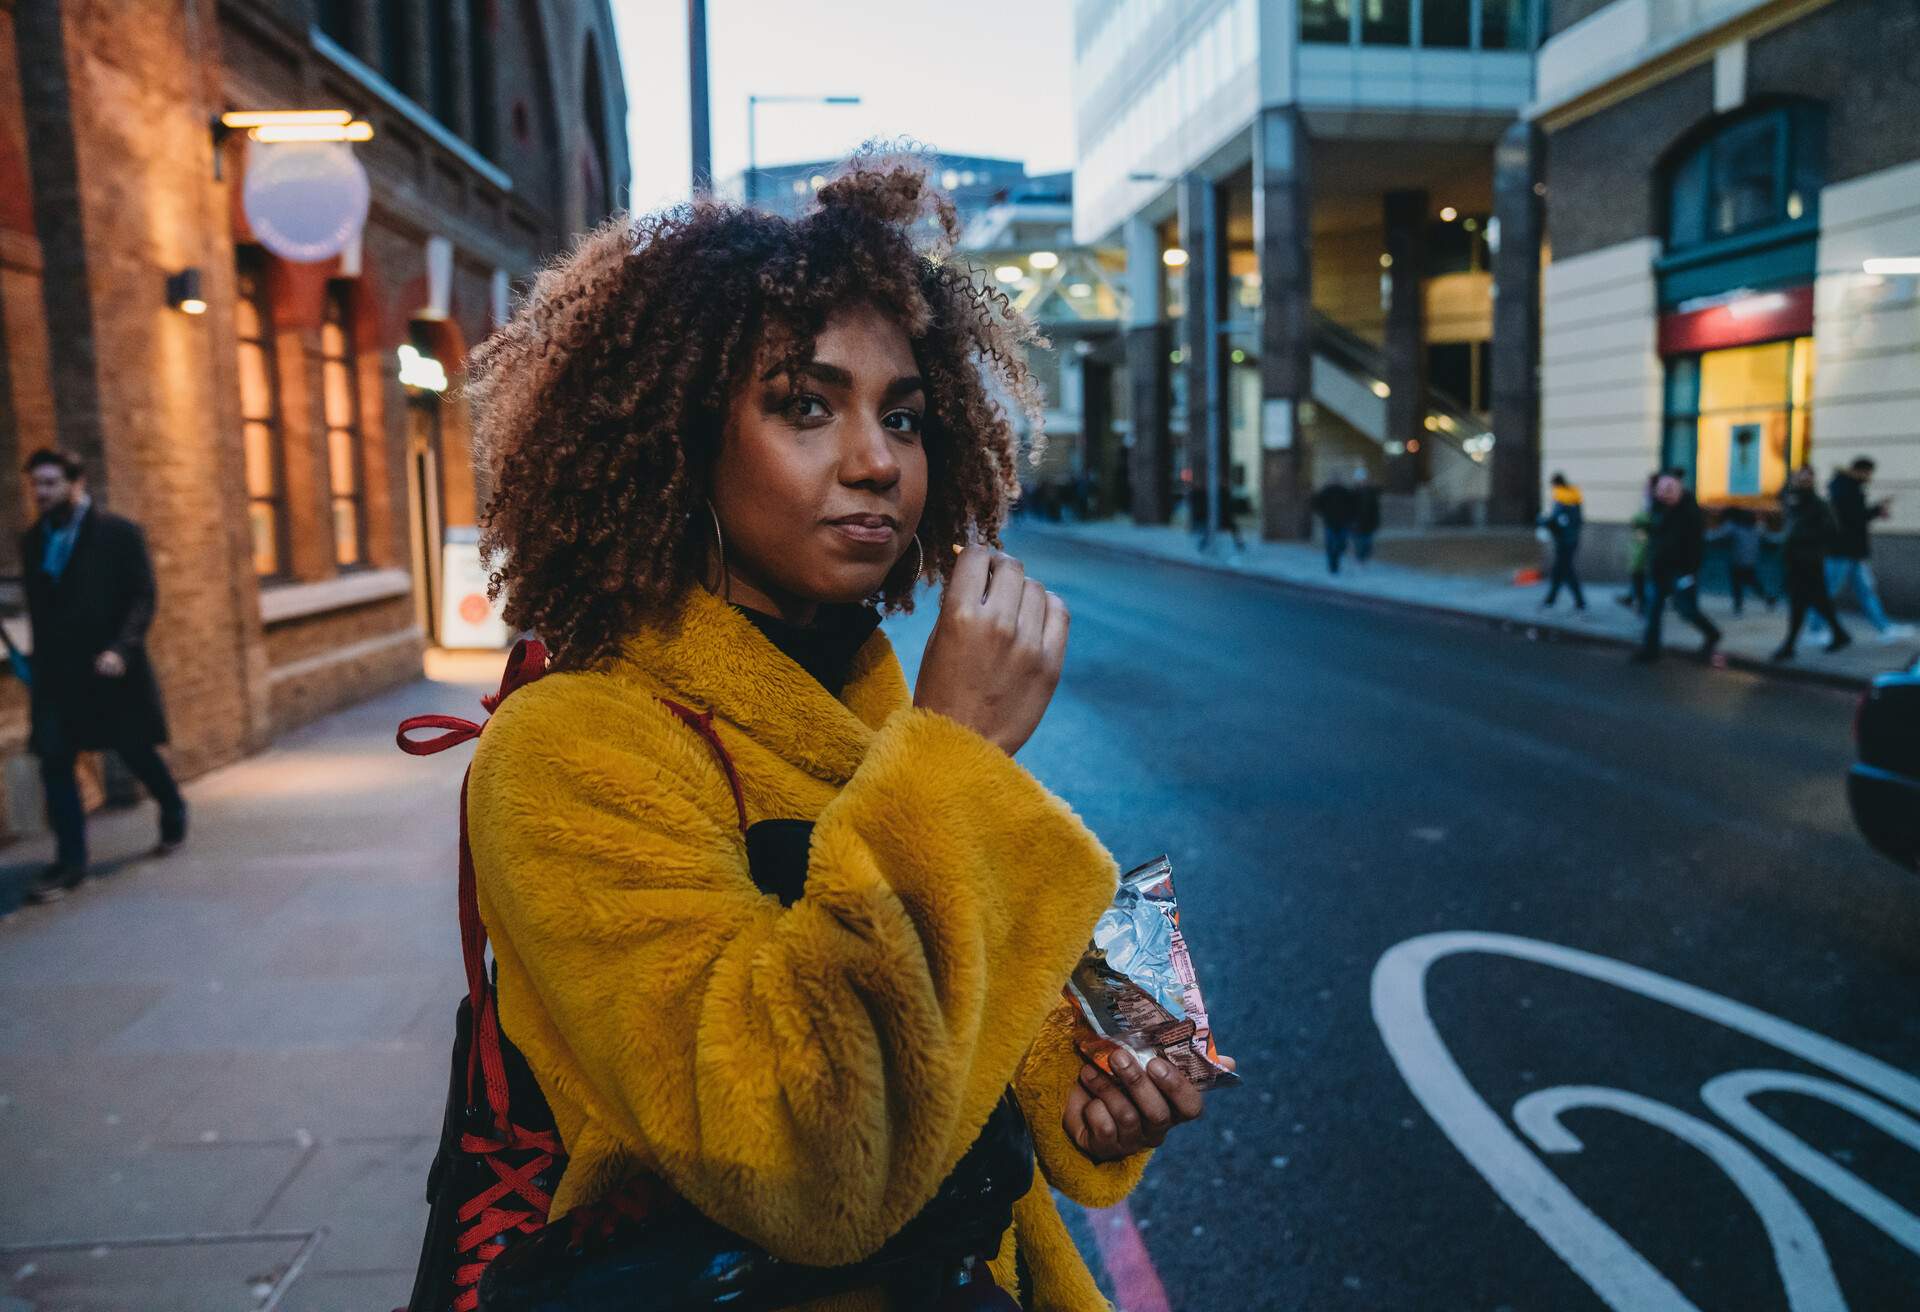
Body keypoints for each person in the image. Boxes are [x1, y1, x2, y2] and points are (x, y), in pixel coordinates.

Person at [456, 158, 1212, 1310]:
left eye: (902, 416)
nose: (876, 460)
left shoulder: (867, 713)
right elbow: (810, 1166)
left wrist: (1097, 1074)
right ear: (682, 436)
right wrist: (957, 753)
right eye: (805, 405)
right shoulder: (568, 749)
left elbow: (951, 1025)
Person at [17, 450, 185, 904]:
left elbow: (142, 597)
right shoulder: (34, 540)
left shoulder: (118, 534)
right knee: (55, 762)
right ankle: (70, 863)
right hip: (57, 675)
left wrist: (121, 649)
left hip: (109, 669)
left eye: (50, 483)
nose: (41, 493)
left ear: (77, 482)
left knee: (135, 751)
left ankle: (172, 807)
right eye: (36, 484)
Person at [1817, 456, 1913, 642]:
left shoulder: (1847, 487)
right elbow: (1852, 519)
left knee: (1865, 591)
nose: (1870, 477)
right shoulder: (1845, 488)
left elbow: (1854, 517)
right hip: (1841, 551)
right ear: (1861, 470)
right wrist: (1877, 510)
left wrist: (1875, 510)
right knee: (1828, 591)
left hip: (1852, 551)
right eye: (1869, 473)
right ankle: (1815, 629)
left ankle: (1884, 628)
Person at [1633, 472, 1722, 663]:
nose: (1665, 494)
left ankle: (1712, 634)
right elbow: (1658, 535)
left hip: (1681, 571)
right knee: (1653, 610)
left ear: (1679, 490)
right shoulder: (1658, 509)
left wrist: (1690, 573)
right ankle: (1650, 651)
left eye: (1669, 489)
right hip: (1659, 570)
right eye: (1661, 490)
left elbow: (1696, 546)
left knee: (1687, 610)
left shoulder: (1690, 512)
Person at [1772, 466, 1851, 661]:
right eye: (1799, 478)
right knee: (1816, 602)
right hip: (1794, 561)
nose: (1802, 481)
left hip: (1809, 561)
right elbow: (1780, 497)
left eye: (1806, 478)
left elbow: (1832, 530)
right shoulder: (1793, 501)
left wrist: (1802, 537)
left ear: (1812, 481)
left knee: (1802, 604)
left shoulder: (1817, 504)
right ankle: (1839, 634)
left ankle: (1789, 646)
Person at [1707, 506, 1774, 615]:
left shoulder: (1733, 526)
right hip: (1749, 561)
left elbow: (1716, 536)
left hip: (1738, 561)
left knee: (1739, 584)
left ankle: (1739, 606)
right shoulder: (1757, 528)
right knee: (1752, 583)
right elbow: (1770, 538)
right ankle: (1766, 599)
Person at [1537, 472, 1586, 610]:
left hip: (1563, 541)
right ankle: (1552, 600)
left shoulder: (1561, 496)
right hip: (1572, 540)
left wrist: (1541, 521)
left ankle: (1578, 601)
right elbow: (1577, 520)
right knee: (1561, 571)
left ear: (1555, 484)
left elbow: (1554, 519)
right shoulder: (1575, 496)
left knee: (1564, 571)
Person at [1617, 472, 1658, 612]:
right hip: (1641, 540)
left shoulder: (1656, 500)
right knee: (1637, 570)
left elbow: (1649, 519)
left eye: (1648, 484)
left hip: (1646, 541)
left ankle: (1641, 602)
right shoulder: (1649, 499)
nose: (1645, 487)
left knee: (1640, 571)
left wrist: (1638, 521)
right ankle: (1635, 597)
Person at [1310, 472, 1357, 574]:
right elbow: (1316, 504)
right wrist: (1323, 514)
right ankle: (1333, 566)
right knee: (1330, 545)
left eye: (1337, 479)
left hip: (1343, 522)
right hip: (1330, 522)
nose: (1335, 481)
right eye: (1334, 479)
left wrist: (1350, 518)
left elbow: (1352, 506)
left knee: (1341, 544)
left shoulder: (1346, 492)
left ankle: (1336, 558)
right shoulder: (1326, 491)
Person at [1349, 466, 1382, 566]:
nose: (1362, 482)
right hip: (1356, 523)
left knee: (1367, 543)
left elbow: (1375, 509)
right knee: (1359, 543)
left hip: (1368, 523)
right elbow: (1349, 509)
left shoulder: (1372, 493)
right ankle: (1359, 559)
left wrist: (1376, 521)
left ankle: (1363, 558)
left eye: (1363, 479)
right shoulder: (1353, 493)